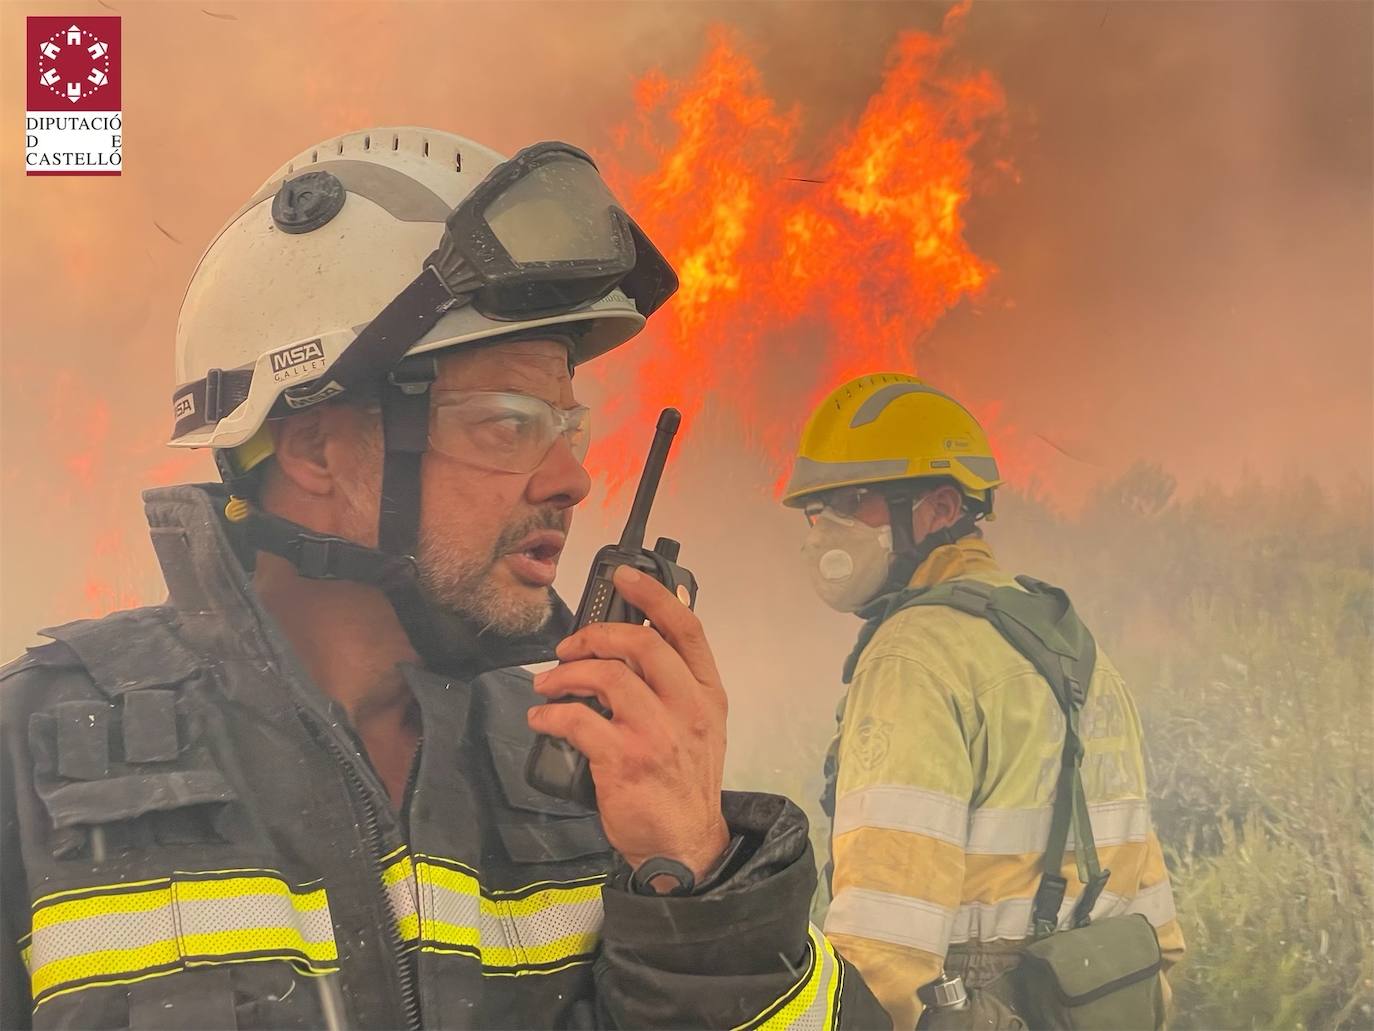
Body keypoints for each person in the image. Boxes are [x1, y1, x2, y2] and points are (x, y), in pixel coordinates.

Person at [0, 127, 887, 1031]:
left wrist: (700, 887)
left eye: (566, 427)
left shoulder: (589, 777)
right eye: (507, 424)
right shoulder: (27, 762)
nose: (571, 479)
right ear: (318, 449)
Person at [783, 373, 1185, 1029]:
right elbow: (1156, 923)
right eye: (816, 509)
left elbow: (883, 962)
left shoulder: (912, 655)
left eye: (856, 501)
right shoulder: (1074, 648)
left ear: (941, 507)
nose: (827, 529)